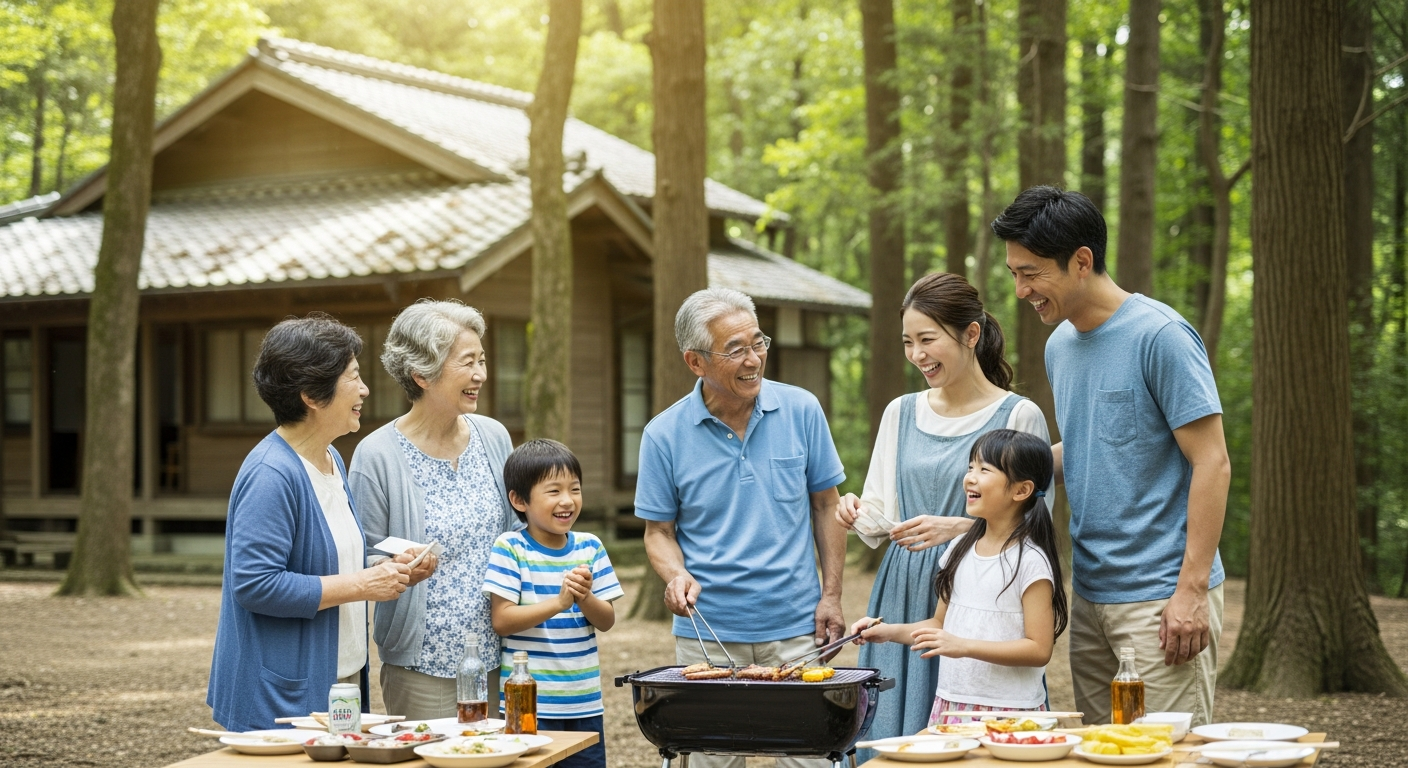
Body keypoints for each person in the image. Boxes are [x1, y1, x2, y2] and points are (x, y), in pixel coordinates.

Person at [992, 186, 1231, 726]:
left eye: (1030, 273)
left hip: (1161, 600)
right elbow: (1087, 448)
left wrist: (1191, 590)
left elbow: (1212, 462)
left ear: (1081, 262)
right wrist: (1001, 475)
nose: (1021, 290)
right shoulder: (1060, 345)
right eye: (1013, 274)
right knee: (1102, 752)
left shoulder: (1161, 336)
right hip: (1091, 595)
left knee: (1165, 756)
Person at [835, 272, 1052, 752]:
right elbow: (880, 514)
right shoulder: (900, 411)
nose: (917, 354)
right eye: (908, 342)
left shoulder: (1019, 415)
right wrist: (853, 510)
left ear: (971, 334)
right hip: (903, 587)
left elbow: (1035, 526)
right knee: (897, 735)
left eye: (927, 339)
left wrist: (959, 528)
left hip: (983, 592)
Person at [635, 287, 848, 768]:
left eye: (758, 343)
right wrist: (676, 576)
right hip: (707, 635)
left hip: (797, 630)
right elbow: (658, 532)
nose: (753, 359)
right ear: (695, 362)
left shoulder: (802, 409)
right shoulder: (663, 435)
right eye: (735, 350)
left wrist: (831, 595)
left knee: (811, 758)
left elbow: (826, 505)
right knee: (713, 759)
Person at [208, 314, 410, 731]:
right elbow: (255, 584)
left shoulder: (331, 457)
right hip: (283, 693)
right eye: (353, 377)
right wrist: (362, 585)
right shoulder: (271, 474)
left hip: (340, 678)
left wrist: (385, 570)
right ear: (312, 396)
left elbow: (327, 563)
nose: (364, 389)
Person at [349, 300, 518, 719]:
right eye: (467, 362)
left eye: (482, 360)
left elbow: (518, 531)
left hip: (500, 654)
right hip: (421, 665)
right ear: (421, 374)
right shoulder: (376, 455)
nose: (480, 374)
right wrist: (399, 567)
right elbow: (362, 557)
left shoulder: (494, 437)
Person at [852, 430, 1067, 724]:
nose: (970, 478)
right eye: (970, 467)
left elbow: (1039, 649)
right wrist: (886, 631)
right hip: (952, 705)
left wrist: (964, 646)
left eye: (984, 470)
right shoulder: (959, 548)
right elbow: (938, 624)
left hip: (1008, 712)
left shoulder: (1031, 561)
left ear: (1021, 490)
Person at [483, 439, 623, 768]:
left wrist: (585, 597)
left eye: (575, 489)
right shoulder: (511, 547)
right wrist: (559, 603)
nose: (567, 500)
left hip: (584, 702)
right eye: (553, 491)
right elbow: (502, 620)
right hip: (527, 704)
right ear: (519, 500)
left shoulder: (590, 547)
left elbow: (606, 621)